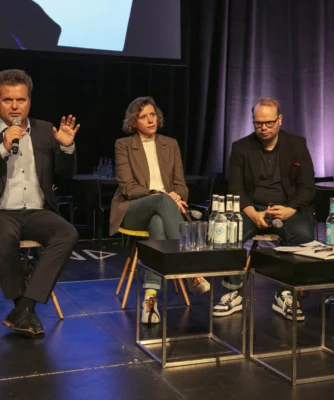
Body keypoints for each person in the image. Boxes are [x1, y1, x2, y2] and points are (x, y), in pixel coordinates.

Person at [213, 98, 315, 320]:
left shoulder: (297, 145)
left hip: (287, 207)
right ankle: (232, 292)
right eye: (258, 123)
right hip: (253, 207)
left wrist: (290, 210)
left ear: (280, 120)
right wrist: (252, 212)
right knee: (231, 231)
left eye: (269, 123)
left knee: (304, 235)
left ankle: (286, 293)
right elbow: (236, 188)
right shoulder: (241, 148)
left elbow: (307, 187)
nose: (264, 128)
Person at [110, 96, 209, 324]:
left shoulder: (170, 144)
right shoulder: (123, 145)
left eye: (152, 114)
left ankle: (150, 299)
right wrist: (163, 195)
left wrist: (176, 196)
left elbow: (180, 184)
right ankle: (191, 270)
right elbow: (128, 188)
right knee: (161, 203)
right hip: (133, 209)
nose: (150, 120)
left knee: (157, 222)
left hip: (164, 213)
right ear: (134, 122)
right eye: (143, 117)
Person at [0, 69, 79, 337]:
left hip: (37, 211)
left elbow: (66, 173)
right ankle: (22, 309)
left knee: (67, 233)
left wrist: (67, 147)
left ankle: (24, 308)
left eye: (20, 100)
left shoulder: (45, 130)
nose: (14, 106)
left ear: (29, 101)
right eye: (7, 100)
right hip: (2, 212)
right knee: (3, 238)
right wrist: (3, 146)